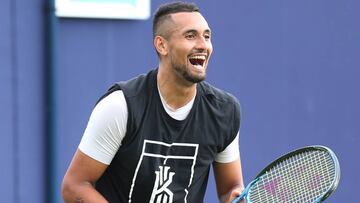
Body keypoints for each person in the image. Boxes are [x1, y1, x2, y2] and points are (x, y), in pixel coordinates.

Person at [61, 2, 245, 203]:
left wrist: (236, 197)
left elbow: (230, 189)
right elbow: (74, 187)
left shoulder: (224, 112)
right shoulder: (120, 106)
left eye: (207, 36)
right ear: (161, 45)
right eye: (190, 35)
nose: (203, 45)